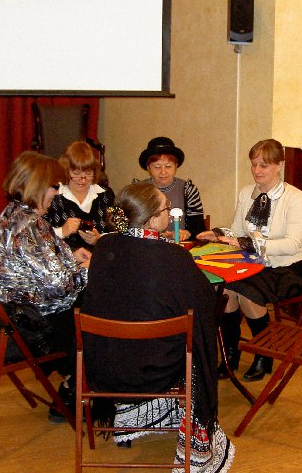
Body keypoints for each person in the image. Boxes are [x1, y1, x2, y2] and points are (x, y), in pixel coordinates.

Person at [82, 182, 234, 471]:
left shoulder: (104, 246)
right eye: (166, 208)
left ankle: (138, 415)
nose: (169, 212)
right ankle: (194, 441)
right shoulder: (173, 256)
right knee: (192, 336)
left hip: (106, 363)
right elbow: (202, 305)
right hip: (157, 367)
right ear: (152, 219)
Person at [0, 151, 91, 421]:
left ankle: (75, 383)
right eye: (54, 186)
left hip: (12, 316)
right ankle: (73, 390)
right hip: (35, 327)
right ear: (37, 186)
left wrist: (70, 258)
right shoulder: (31, 225)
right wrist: (88, 269)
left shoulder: (12, 214)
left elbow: (34, 267)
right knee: (102, 315)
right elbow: (61, 286)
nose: (57, 192)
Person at [196, 139, 302, 382]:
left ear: (279, 165)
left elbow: (292, 244)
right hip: (253, 264)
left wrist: (247, 244)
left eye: (264, 165)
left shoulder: (295, 198)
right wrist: (218, 234)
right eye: (253, 164)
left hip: (287, 267)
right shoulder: (247, 193)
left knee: (246, 292)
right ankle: (230, 353)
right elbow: (237, 232)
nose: (257, 170)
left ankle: (263, 354)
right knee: (224, 290)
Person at [44, 141, 114, 251]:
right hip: (62, 259)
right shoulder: (53, 196)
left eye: (88, 173)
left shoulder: (105, 195)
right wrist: (61, 231)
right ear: (66, 171)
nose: (83, 180)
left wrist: (99, 239)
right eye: (76, 173)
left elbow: (118, 232)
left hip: (98, 257)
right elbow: (36, 237)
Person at [138, 136, 206, 241]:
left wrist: (187, 233)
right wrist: (155, 235)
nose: (163, 172)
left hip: (179, 246)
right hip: (147, 246)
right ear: (148, 168)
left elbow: (199, 230)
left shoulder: (187, 190)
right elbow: (130, 229)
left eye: (168, 166)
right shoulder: (138, 190)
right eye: (157, 167)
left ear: (176, 166)